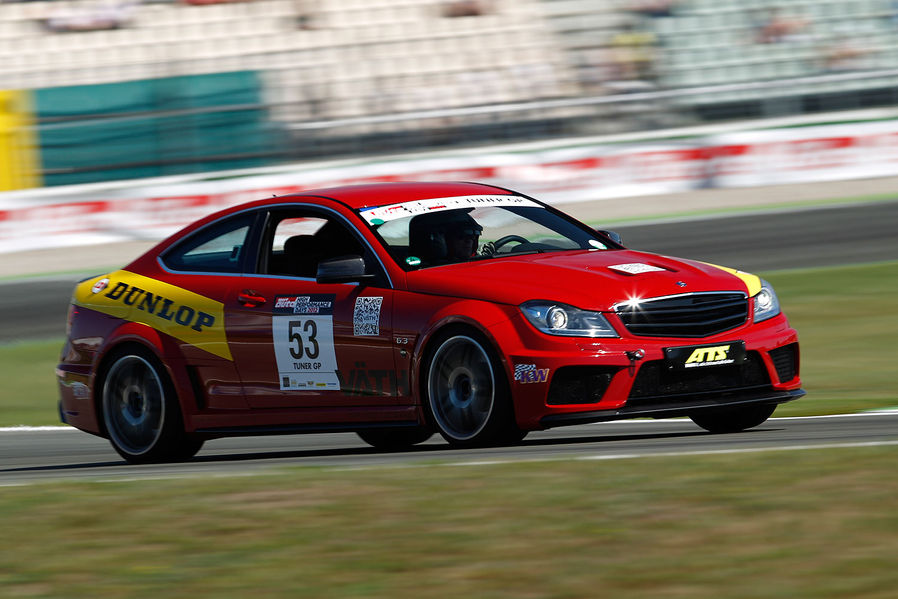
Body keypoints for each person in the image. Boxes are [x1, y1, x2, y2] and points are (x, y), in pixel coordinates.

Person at [408, 210, 483, 265]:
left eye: (473, 236)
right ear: (439, 238)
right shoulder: (426, 269)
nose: (469, 241)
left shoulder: (479, 262)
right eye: (462, 236)